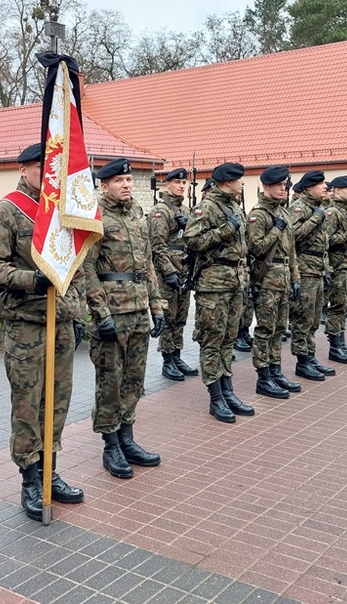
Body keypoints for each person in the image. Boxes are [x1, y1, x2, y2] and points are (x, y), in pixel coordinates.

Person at [0, 143, 85, 522]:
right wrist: (33, 280)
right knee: (28, 406)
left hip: (62, 322)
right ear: (25, 170)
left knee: (57, 403)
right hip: (27, 325)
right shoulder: (6, 213)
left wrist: (80, 306)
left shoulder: (62, 213)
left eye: (55, 167)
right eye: (43, 167)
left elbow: (79, 265)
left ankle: (49, 472)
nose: (51, 174)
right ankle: (29, 478)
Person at [84, 158, 165, 479]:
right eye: (119, 180)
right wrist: (100, 312)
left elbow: (147, 264)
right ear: (104, 186)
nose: (127, 184)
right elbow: (85, 268)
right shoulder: (93, 216)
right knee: (110, 383)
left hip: (138, 310)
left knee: (134, 380)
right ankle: (111, 445)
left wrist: (157, 306)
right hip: (111, 313)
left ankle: (127, 438)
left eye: (129, 179)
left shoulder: (137, 215)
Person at [184, 162, 256, 423]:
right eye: (239, 180)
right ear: (228, 182)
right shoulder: (207, 207)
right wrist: (228, 228)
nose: (242, 184)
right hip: (213, 284)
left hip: (234, 281)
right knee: (213, 341)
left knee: (228, 339)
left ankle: (228, 391)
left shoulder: (233, 205)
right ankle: (216, 397)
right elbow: (192, 241)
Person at [247, 166, 301, 398]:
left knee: (279, 328)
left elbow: (291, 251)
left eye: (285, 185)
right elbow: (256, 248)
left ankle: (276, 370)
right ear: (266, 187)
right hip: (267, 279)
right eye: (279, 185)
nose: (283, 188)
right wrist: (275, 232)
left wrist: (296, 277)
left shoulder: (284, 213)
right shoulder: (258, 214)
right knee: (265, 329)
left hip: (283, 278)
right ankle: (263, 376)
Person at [148, 167, 198, 381]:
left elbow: (192, 241)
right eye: (177, 183)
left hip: (184, 270)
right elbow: (157, 246)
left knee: (181, 316)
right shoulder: (161, 211)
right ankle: (167, 360)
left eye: (184, 183)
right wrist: (168, 271)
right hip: (167, 273)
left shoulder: (186, 211)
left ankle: (177, 355)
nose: (181, 186)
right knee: (169, 317)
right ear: (167, 184)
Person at [289, 170, 337, 380]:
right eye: (321, 184)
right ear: (309, 188)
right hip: (305, 269)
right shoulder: (300, 208)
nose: (325, 187)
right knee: (303, 318)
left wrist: (326, 268)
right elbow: (293, 236)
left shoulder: (318, 208)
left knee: (315, 318)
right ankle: (302, 361)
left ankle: (310, 356)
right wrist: (316, 219)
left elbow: (323, 244)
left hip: (317, 269)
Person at [323, 175, 347, 363]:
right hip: (338, 267)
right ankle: (335, 346)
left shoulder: (346, 211)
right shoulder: (332, 212)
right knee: (337, 308)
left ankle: (341, 343)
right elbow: (327, 240)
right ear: (337, 191)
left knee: (345, 308)